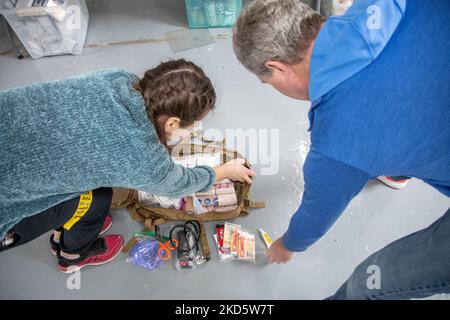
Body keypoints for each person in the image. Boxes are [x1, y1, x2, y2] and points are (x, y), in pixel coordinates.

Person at [233, 0, 449, 299]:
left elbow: (316, 213)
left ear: (277, 68)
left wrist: (287, 245)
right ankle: (398, 170)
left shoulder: (337, 142)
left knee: (369, 284)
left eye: (266, 81)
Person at [0, 59, 256, 273]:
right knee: (97, 198)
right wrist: (224, 171)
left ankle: (65, 231)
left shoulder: (117, 78)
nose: (195, 131)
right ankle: (71, 255)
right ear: (172, 124)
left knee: (90, 193)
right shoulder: (142, 156)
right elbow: (178, 184)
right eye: (192, 126)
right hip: (8, 206)